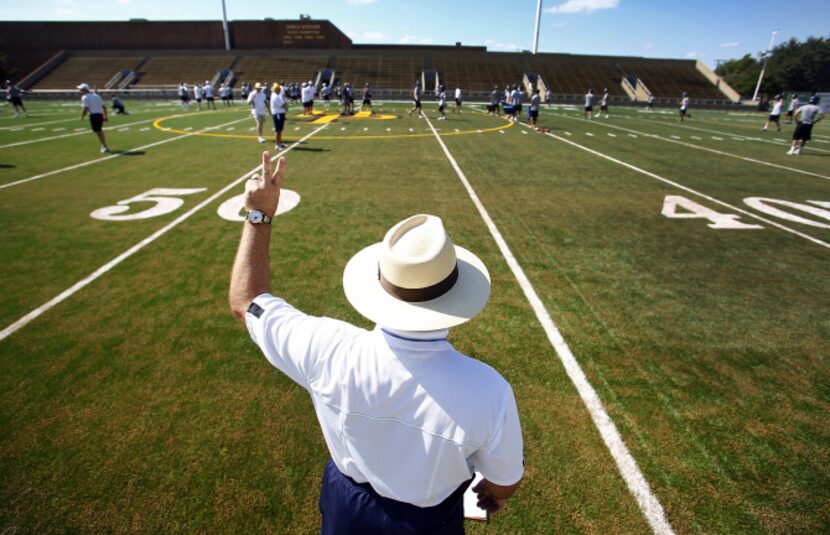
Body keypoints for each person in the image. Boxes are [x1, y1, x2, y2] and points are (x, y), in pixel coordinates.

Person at [229, 154, 524, 533]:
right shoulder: (488, 390)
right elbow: (504, 479)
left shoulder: (326, 348)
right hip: (428, 522)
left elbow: (247, 299)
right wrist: (494, 494)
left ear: (381, 284)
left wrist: (259, 214)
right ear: (454, 295)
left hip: (347, 508)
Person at [77, 83, 109, 153]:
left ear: (84, 90)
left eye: (80, 90)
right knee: (98, 131)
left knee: (98, 131)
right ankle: (104, 145)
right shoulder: (96, 96)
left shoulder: (85, 97)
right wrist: (105, 116)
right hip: (99, 115)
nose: (79, 91)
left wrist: (82, 116)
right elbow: (104, 107)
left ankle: (104, 146)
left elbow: (85, 108)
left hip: (94, 115)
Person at [270, 83, 288, 150]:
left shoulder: (277, 95)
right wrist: (286, 106)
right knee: (278, 130)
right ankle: (277, 145)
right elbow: (283, 105)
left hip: (280, 113)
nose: (279, 90)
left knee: (280, 130)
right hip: (278, 114)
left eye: (279, 89)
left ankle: (279, 143)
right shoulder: (275, 96)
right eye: (277, 89)